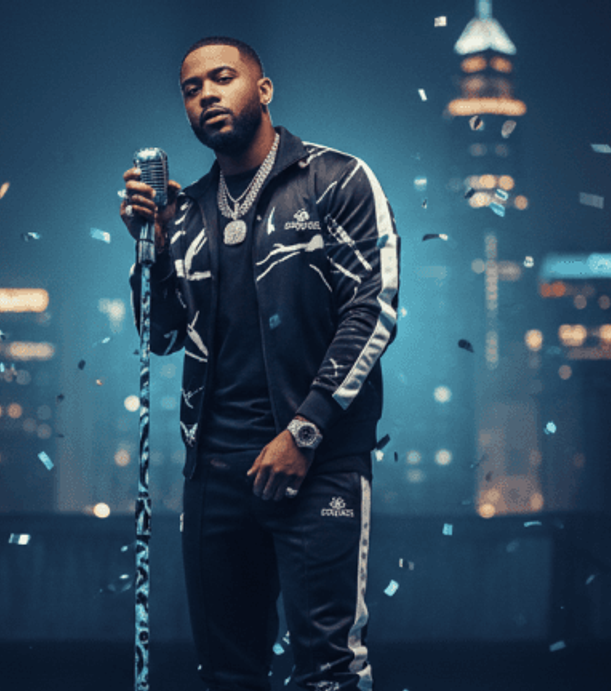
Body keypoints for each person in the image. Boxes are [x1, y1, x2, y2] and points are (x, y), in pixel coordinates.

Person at [120, 36, 400, 691]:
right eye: (192, 88)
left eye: (222, 78)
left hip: (319, 462)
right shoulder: (186, 212)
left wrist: (304, 431)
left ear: (264, 89)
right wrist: (150, 250)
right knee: (227, 674)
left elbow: (374, 307)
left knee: (329, 668)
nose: (207, 95)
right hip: (215, 474)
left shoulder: (336, 179)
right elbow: (162, 336)